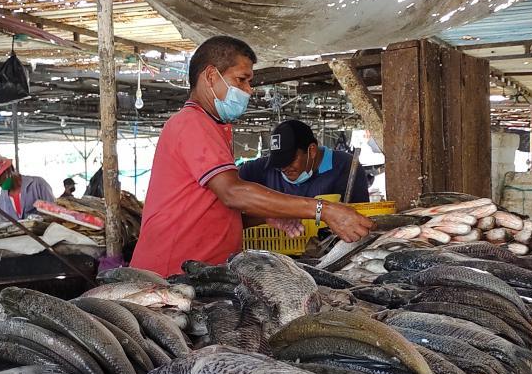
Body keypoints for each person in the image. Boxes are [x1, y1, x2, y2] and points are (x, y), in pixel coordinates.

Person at [131, 36, 373, 276]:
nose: (248, 90)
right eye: (241, 79)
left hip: (200, 273)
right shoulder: (193, 123)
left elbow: (210, 212)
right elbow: (233, 192)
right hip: (171, 274)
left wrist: (266, 216)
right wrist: (323, 209)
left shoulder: (212, 126)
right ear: (211, 76)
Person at [238, 120, 370, 202]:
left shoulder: (345, 167)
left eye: (290, 160)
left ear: (312, 151)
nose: (284, 168)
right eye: (279, 162)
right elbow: (229, 187)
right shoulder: (261, 169)